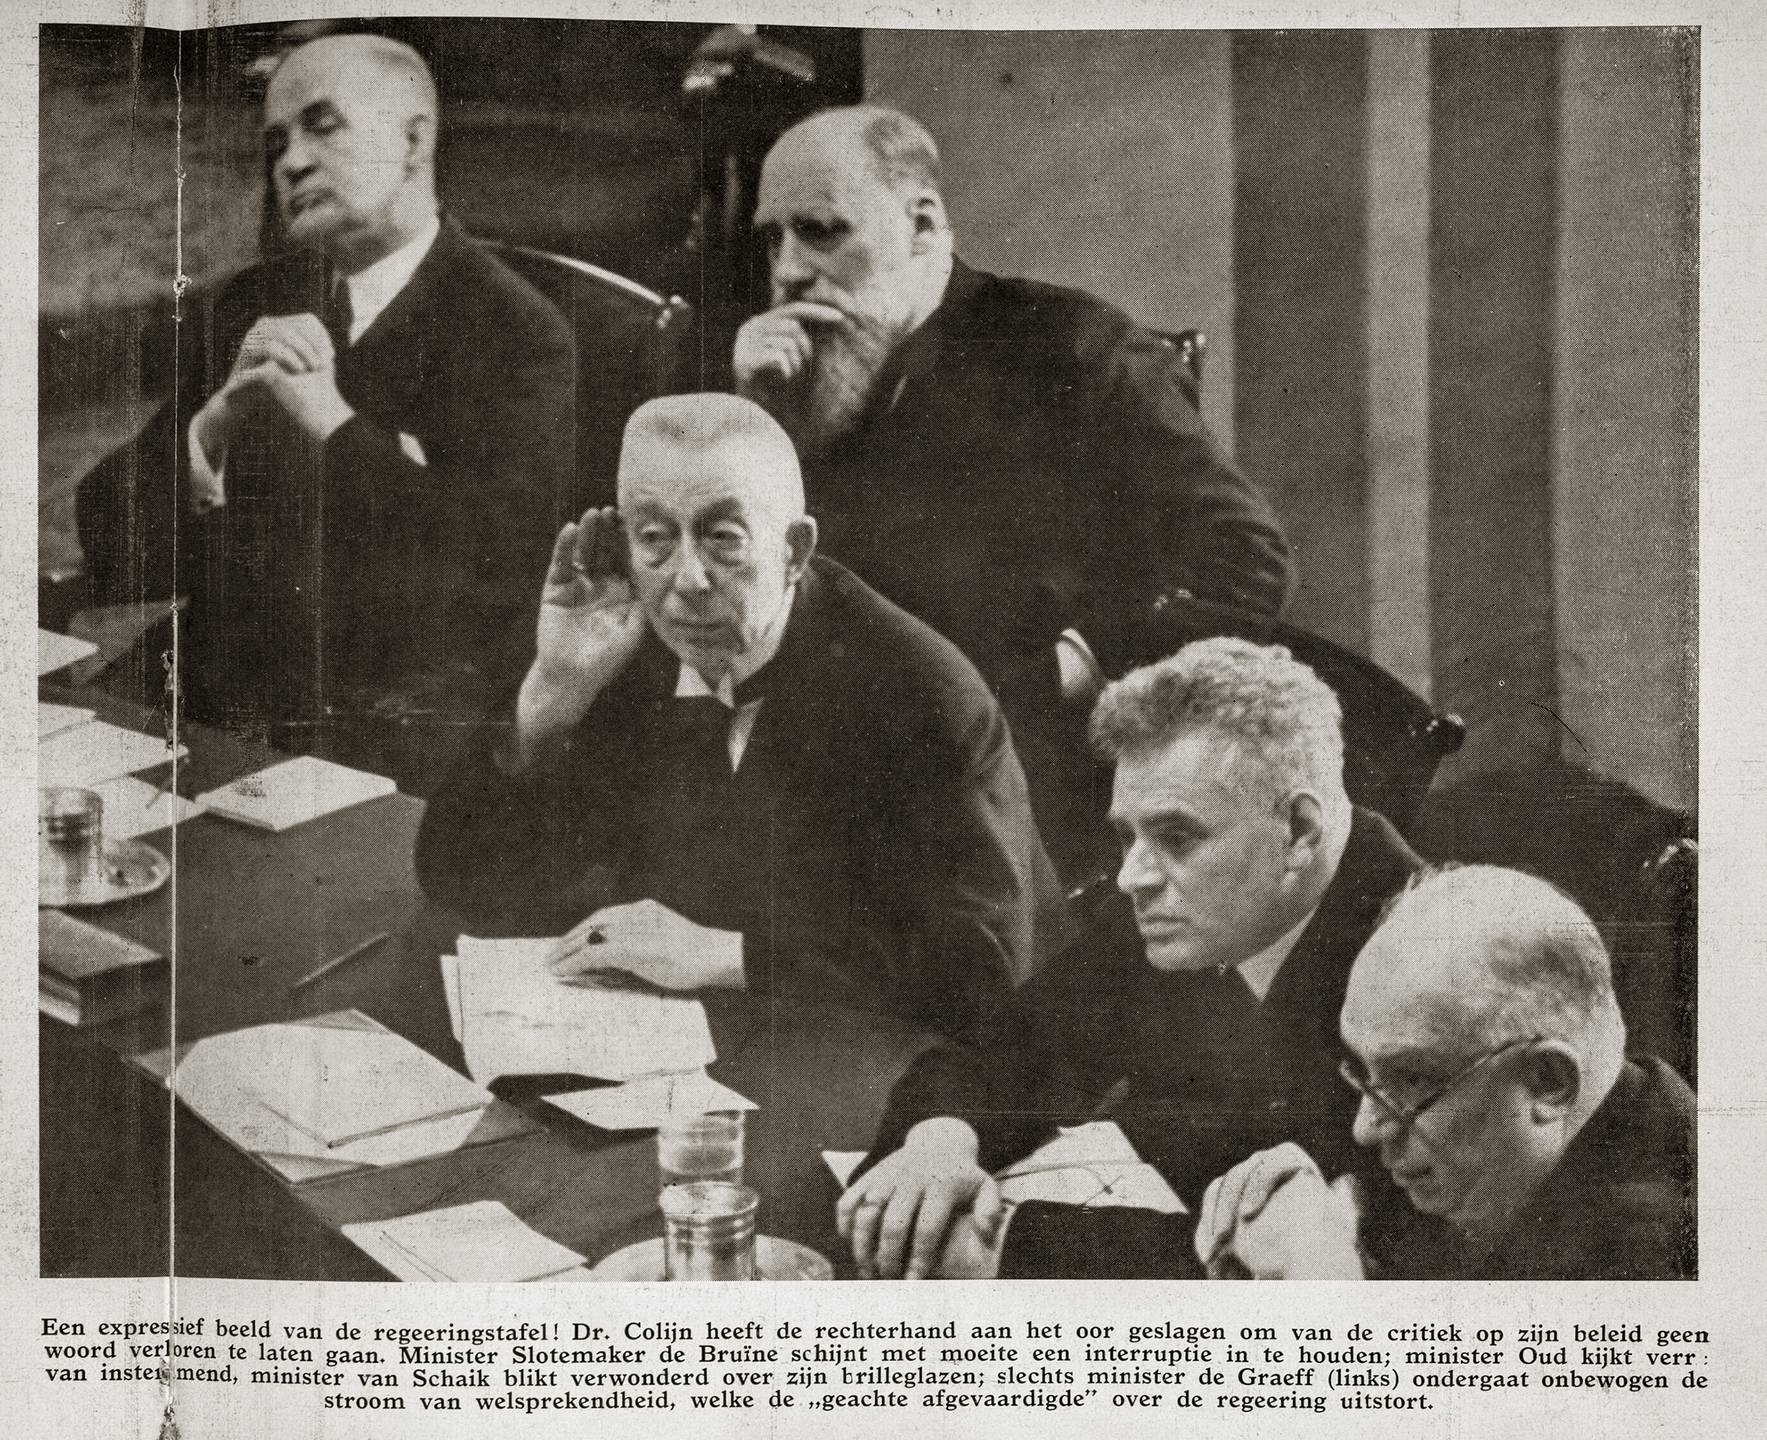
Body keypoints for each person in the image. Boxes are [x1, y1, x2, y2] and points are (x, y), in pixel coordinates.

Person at [732, 104, 1294, 880]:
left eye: (822, 230)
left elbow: (1245, 558)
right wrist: (757, 421)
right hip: (827, 784)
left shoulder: (1071, 348)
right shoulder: (791, 380)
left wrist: (1067, 668)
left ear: (922, 224)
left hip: (1023, 797)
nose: (790, 269)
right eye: (774, 238)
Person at [414, 394, 1063, 1039]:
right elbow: (459, 876)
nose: (687, 579)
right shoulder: (615, 641)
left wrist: (725, 956)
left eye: (723, 539)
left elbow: (981, 973)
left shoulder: (922, 693)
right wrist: (550, 696)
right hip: (696, 1042)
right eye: (654, 539)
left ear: (794, 549)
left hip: (922, 1069)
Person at [76, 32, 575, 787]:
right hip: (204, 701)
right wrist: (210, 432)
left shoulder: (518, 333)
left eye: (321, 125)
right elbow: (109, 539)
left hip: (381, 735)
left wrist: (332, 423)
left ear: (415, 139)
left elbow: (488, 587)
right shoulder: (256, 301)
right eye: (276, 142)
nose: (290, 162)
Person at [837, 637, 1421, 1279]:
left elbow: (1301, 1274)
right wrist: (941, 1139)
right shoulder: (1203, 905)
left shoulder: (1430, 970)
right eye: (1126, 836)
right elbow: (1010, 1049)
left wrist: (1001, 1243)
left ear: (1299, 832)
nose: (1130, 877)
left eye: (1176, 836)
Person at [1191, 865, 1697, 1281]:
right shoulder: (1502, 1149)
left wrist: (1328, 1298)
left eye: (1409, 1079)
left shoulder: (1677, 1252)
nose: (1363, 1129)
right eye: (1363, 1073)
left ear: (1548, 1083)